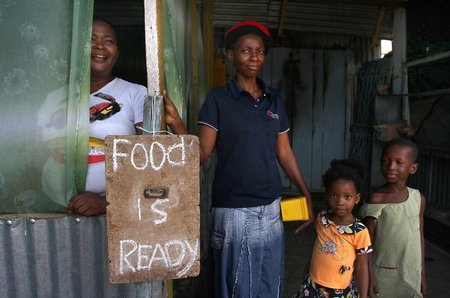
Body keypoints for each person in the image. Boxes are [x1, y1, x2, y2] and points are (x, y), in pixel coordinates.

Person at [163, 19, 314, 297]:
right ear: (231, 55)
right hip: (233, 213)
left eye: (259, 51)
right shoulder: (218, 100)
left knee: (268, 286)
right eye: (245, 50)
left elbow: (284, 152)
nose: (254, 57)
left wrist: (306, 193)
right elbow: (201, 155)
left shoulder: (274, 100)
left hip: (270, 209)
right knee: (237, 289)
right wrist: (177, 125)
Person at [68, 18, 146, 216]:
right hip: (57, 210)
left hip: (117, 214)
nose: (100, 46)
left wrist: (107, 202)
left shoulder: (136, 93)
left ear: (117, 52)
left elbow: (151, 160)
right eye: (91, 39)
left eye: (108, 41)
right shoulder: (56, 96)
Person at [294, 159, 372, 298]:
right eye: (334, 195)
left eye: (347, 196)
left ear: (357, 198)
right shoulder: (322, 219)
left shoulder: (359, 231)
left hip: (340, 291)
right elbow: (318, 244)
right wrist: (308, 269)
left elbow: (362, 266)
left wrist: (364, 295)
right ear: (326, 196)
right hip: (312, 285)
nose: (340, 202)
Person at [360, 138, 427, 297]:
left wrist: (422, 275)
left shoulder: (418, 199)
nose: (391, 167)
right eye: (385, 161)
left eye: (399, 162)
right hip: (383, 276)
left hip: (412, 274)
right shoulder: (376, 199)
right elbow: (365, 244)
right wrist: (369, 278)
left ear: (413, 168)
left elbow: (420, 237)